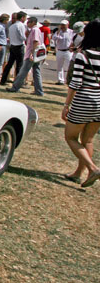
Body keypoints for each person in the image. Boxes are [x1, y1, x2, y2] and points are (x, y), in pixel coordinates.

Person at [62, 19, 100, 187]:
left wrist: (67, 104)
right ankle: (78, 173)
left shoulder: (82, 55)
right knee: (88, 140)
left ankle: (92, 168)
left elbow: (76, 82)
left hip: (85, 98)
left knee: (70, 136)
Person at [6, 17, 44, 96]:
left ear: (33, 22)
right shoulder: (34, 30)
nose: (27, 23)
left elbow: (35, 42)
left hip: (32, 54)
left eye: (29, 22)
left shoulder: (35, 30)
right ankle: (39, 91)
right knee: (36, 72)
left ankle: (15, 87)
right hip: (34, 54)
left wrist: (31, 53)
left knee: (23, 72)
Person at [0, 11, 27, 85]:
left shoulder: (12, 26)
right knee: (19, 65)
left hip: (12, 46)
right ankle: (18, 82)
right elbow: (22, 37)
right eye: (25, 18)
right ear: (22, 18)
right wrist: (27, 37)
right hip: (19, 45)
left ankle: (3, 80)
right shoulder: (21, 25)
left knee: (9, 64)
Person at [52, 19, 75, 85]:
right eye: (61, 25)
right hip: (60, 50)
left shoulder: (71, 32)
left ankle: (69, 80)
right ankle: (60, 80)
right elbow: (54, 38)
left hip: (68, 51)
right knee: (59, 66)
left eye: (64, 25)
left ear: (67, 25)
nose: (62, 26)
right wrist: (58, 31)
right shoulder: (58, 32)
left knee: (68, 66)